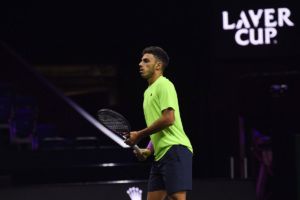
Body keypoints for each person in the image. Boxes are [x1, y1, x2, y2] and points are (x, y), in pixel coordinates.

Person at [124, 46, 193, 200]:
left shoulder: (164, 84)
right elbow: (158, 128)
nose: (140, 64)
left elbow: (169, 119)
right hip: (160, 155)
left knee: (176, 197)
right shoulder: (147, 92)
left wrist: (139, 135)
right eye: (141, 61)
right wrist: (148, 150)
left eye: (146, 61)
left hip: (175, 148)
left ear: (158, 65)